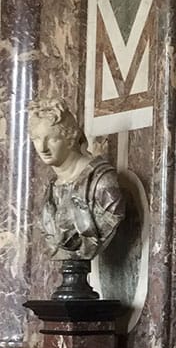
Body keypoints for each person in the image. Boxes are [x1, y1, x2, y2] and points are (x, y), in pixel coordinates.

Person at [28, 99, 124, 260]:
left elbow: (108, 219)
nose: (42, 148)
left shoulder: (101, 182)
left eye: (52, 139)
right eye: (37, 139)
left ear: (70, 139)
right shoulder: (52, 188)